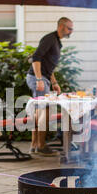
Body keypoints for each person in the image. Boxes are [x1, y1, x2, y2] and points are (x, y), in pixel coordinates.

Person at [26, 17, 73, 156]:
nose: (71, 31)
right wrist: (39, 79)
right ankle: (41, 146)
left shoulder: (57, 42)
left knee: (39, 111)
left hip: (43, 78)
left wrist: (54, 82)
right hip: (37, 78)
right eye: (69, 28)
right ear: (61, 27)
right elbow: (36, 58)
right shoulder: (50, 39)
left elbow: (49, 65)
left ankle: (34, 145)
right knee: (45, 110)